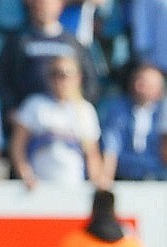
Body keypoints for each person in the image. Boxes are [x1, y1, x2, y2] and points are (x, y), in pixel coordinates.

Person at [12, 51, 106, 185]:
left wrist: (96, 181)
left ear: (77, 78)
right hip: (38, 186)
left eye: (65, 75)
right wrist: (25, 174)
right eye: (54, 74)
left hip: (73, 186)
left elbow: (92, 153)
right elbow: (17, 145)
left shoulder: (85, 110)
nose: (60, 80)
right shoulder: (34, 104)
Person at [101, 58, 167, 180]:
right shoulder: (117, 109)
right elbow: (111, 147)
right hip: (124, 176)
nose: (139, 87)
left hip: (159, 177)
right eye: (137, 81)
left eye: (145, 84)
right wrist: (105, 180)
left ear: (158, 89)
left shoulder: (164, 110)